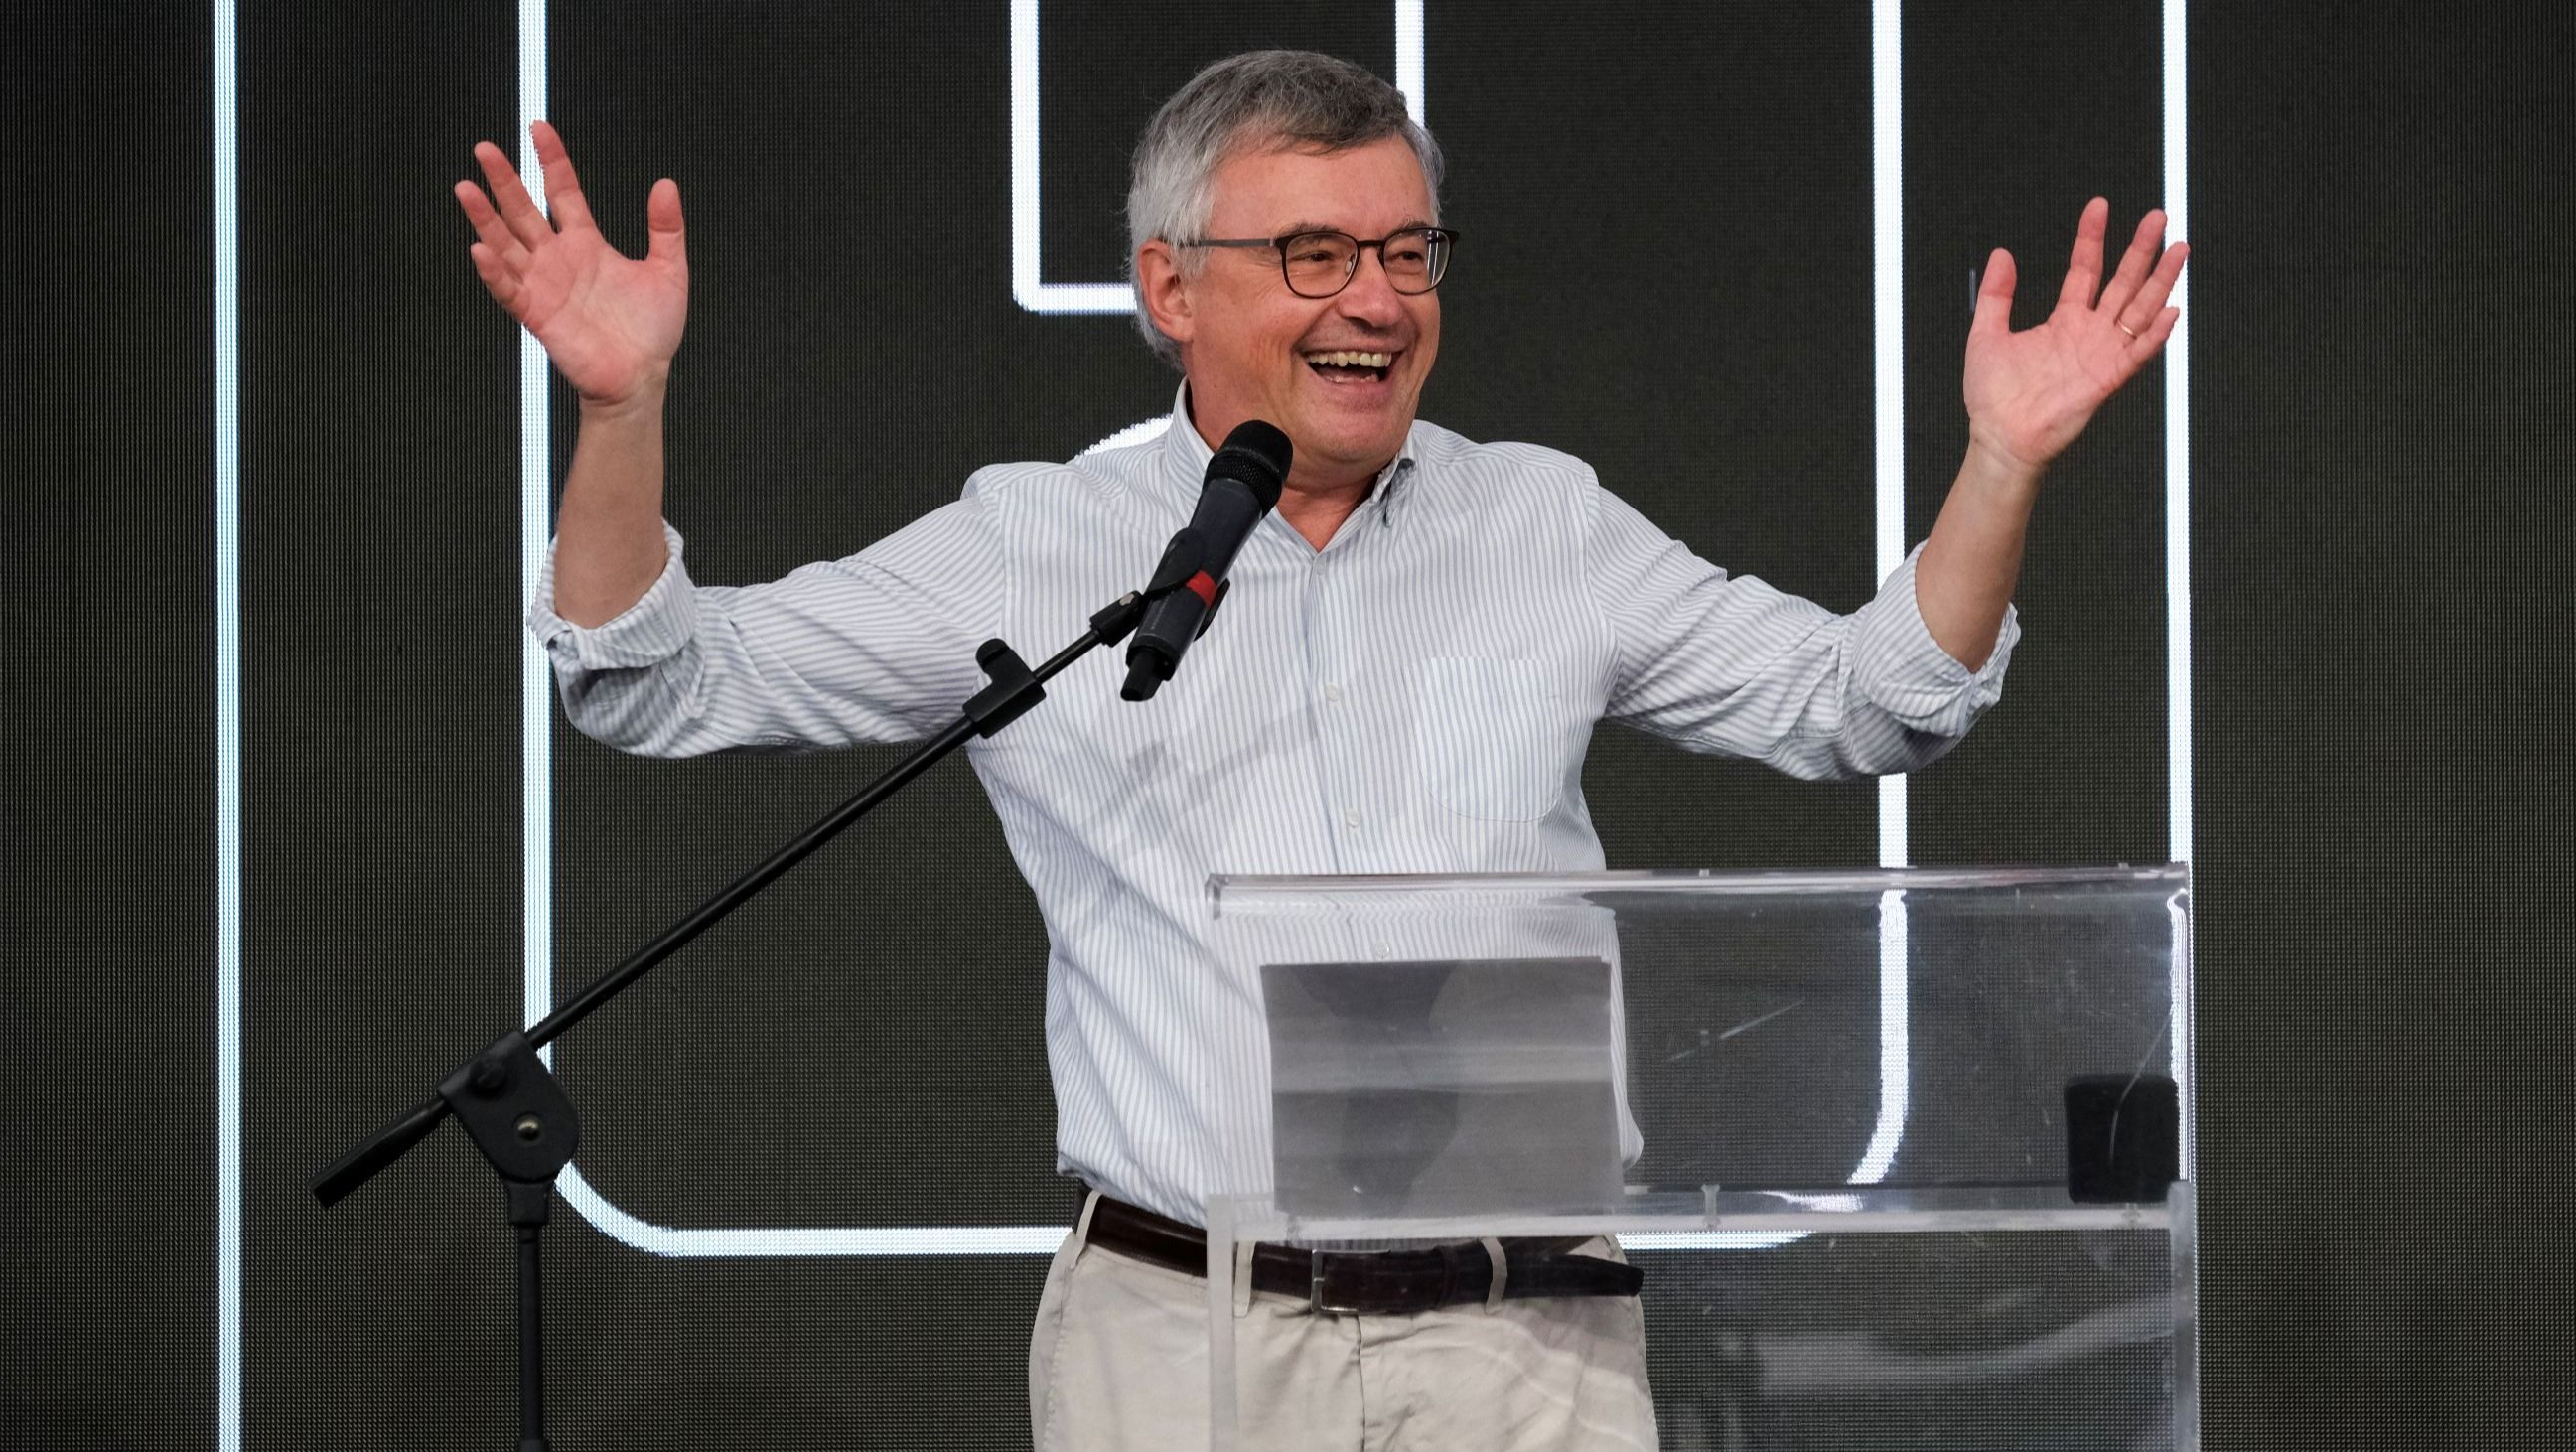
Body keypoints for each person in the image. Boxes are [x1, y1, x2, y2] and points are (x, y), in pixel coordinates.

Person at [456, 49, 2184, 1452]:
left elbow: (1870, 700)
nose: (1377, 299)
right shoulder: (1033, 547)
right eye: (1314, 256)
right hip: (1177, 1341)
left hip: (1530, 1347)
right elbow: (651, 677)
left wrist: (2003, 462)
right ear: (1166, 288)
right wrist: (620, 412)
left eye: (1406, 251)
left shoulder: (1546, 522)